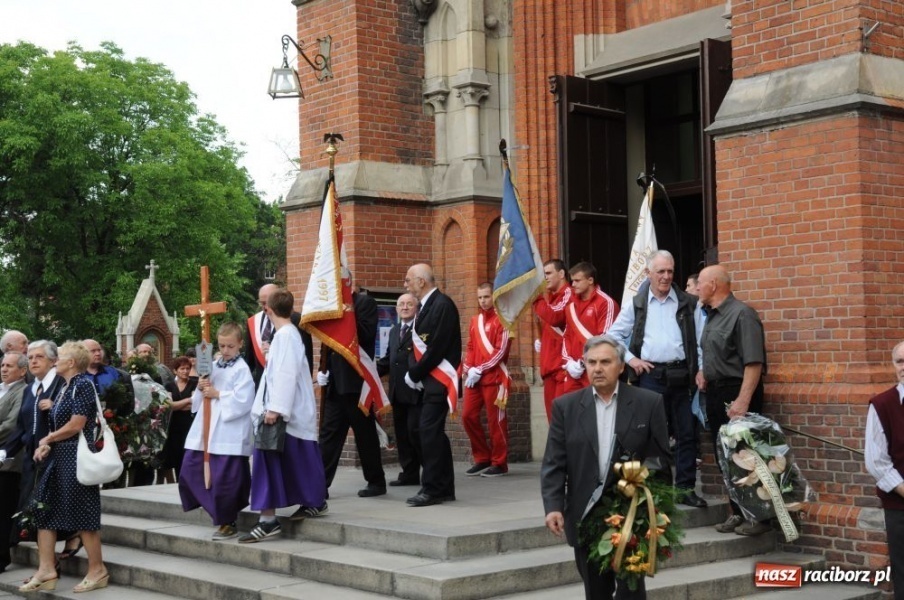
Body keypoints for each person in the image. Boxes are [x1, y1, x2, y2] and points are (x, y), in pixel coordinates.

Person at [540, 335, 670, 600]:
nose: (597, 368)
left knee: (631, 592)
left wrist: (641, 485)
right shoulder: (566, 407)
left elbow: (662, 460)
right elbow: (554, 463)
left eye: (605, 362)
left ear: (621, 367)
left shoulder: (649, 402)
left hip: (631, 514)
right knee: (596, 592)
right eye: (591, 362)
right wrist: (553, 506)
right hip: (586, 515)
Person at [607, 250, 705, 507]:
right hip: (651, 376)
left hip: (683, 374)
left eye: (670, 271)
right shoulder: (637, 303)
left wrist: (701, 369)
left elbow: (701, 341)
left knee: (686, 433)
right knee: (652, 435)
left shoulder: (688, 302)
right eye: (660, 271)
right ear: (648, 273)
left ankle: (685, 488)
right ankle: (658, 490)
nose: (665, 276)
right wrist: (631, 360)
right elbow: (613, 335)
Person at [238, 289, 327, 543]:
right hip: (289, 411)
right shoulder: (286, 335)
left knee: (268, 460)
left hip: (283, 412)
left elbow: (286, 375)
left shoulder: (286, 336)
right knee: (298, 459)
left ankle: (268, 520)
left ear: (268, 309)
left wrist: (275, 409)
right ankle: (315, 501)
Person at [23, 342, 109, 593]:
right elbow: (60, 426)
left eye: (59, 356)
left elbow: (76, 424)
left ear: (71, 362)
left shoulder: (82, 384)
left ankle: (98, 570)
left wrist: (48, 439)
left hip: (77, 458)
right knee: (44, 509)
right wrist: (48, 445)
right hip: (60, 456)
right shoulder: (66, 387)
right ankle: (46, 569)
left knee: (84, 515)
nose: (55, 360)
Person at [696, 264, 769, 536]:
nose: (697, 289)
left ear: (714, 284)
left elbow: (753, 362)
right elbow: (716, 353)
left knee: (746, 456)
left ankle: (759, 518)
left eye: (700, 283)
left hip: (737, 392)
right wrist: (704, 372)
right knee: (725, 457)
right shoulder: (711, 316)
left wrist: (743, 401)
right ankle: (737, 512)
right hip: (715, 393)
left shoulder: (742, 315)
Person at [178, 323, 254, 541]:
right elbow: (198, 400)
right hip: (206, 427)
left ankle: (227, 520)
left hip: (228, 431)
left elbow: (244, 400)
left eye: (231, 345)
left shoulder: (242, 369)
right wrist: (201, 388)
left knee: (225, 479)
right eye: (222, 345)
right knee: (191, 469)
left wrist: (218, 393)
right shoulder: (212, 365)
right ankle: (214, 508)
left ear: (240, 344)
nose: (226, 349)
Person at [317, 280, 386, 498]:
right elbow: (327, 342)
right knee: (329, 435)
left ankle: (376, 481)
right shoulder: (331, 307)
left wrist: (346, 314)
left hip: (356, 382)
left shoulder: (364, 304)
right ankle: (320, 484)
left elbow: (365, 334)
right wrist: (322, 369)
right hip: (336, 382)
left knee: (365, 435)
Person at [403, 263, 460, 507]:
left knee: (428, 432)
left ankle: (433, 488)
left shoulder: (442, 305)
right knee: (429, 433)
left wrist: (415, 373)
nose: (406, 285)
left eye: (408, 280)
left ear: (421, 281)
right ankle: (443, 486)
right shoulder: (427, 307)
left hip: (439, 380)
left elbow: (436, 347)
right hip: (429, 380)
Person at [2, 341, 65, 514]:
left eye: (39, 357)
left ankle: (73, 536)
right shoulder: (29, 389)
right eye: (30, 358)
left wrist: (56, 407)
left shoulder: (62, 384)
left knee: (51, 510)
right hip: (32, 458)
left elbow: (78, 416)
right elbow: (22, 427)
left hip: (56, 455)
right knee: (31, 509)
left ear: (53, 361)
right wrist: (5, 451)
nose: (33, 361)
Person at [865, 341, 904, 599]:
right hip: (900, 507)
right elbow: (875, 460)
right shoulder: (882, 404)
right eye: (900, 361)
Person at [462, 282, 512, 477]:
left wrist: (479, 369)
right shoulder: (476, 321)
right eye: (480, 297)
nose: (483, 301)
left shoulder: (503, 320)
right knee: (468, 416)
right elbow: (471, 347)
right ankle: (482, 457)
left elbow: (501, 351)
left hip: (494, 378)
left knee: (496, 422)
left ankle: (500, 462)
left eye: (486, 296)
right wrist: (468, 368)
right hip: (475, 378)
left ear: (494, 297)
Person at [376, 293, 422, 487]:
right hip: (397, 392)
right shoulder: (395, 331)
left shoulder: (420, 330)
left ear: (416, 308)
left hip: (414, 391)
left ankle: (427, 471)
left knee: (415, 432)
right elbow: (387, 360)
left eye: (409, 304)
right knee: (402, 434)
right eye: (401, 304)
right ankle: (409, 473)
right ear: (396, 309)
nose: (404, 307)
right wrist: (369, 373)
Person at [561, 262, 619, 393]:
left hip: (596, 369)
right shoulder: (571, 306)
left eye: (577, 280)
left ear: (590, 280)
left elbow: (606, 338)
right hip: (573, 372)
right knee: (571, 411)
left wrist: (583, 362)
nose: (573, 285)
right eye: (572, 281)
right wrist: (569, 362)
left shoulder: (606, 303)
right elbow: (566, 336)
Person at [246, 283, 314, 388]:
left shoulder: (296, 320)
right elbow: (249, 361)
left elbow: (306, 358)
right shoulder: (253, 322)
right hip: (261, 387)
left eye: (268, 302)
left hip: (287, 386)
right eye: (262, 303)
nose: (265, 307)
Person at [532, 259, 572, 422]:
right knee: (554, 423)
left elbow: (555, 317)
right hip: (549, 369)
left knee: (563, 421)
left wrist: (536, 298)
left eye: (548, 273)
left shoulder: (568, 293)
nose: (545, 278)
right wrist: (543, 342)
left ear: (561, 274)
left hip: (561, 369)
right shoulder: (553, 300)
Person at [0, 352, 27, 574]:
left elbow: (11, 425)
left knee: (4, 509)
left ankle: (1, 557)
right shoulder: (2, 389)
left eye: (9, 366)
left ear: (22, 370)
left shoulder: (23, 390)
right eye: (2, 365)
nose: (4, 369)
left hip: (9, 461)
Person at [160, 356, 198, 483]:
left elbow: (195, 404)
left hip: (190, 424)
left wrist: (178, 404)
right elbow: (170, 405)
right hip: (173, 425)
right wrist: (187, 400)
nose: (185, 371)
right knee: (173, 455)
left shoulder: (195, 383)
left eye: (187, 368)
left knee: (187, 454)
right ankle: (173, 483)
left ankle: (187, 481)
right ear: (175, 371)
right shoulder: (169, 386)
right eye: (182, 368)